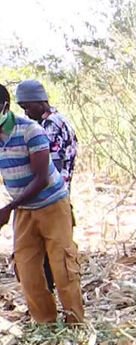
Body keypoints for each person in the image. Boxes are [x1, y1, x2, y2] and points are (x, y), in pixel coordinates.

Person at [0, 83, 83, 324]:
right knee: (27, 270)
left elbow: (42, 177)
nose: (27, 110)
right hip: (24, 209)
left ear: (4, 107)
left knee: (63, 266)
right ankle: (44, 323)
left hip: (52, 204)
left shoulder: (31, 131)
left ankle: (74, 323)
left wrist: (8, 208)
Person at [16, 80, 80, 293]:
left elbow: (51, 168)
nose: (26, 112)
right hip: (59, 195)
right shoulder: (57, 120)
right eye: (22, 108)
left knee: (55, 256)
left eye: (28, 106)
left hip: (51, 198)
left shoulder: (51, 125)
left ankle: (59, 306)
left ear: (40, 101)